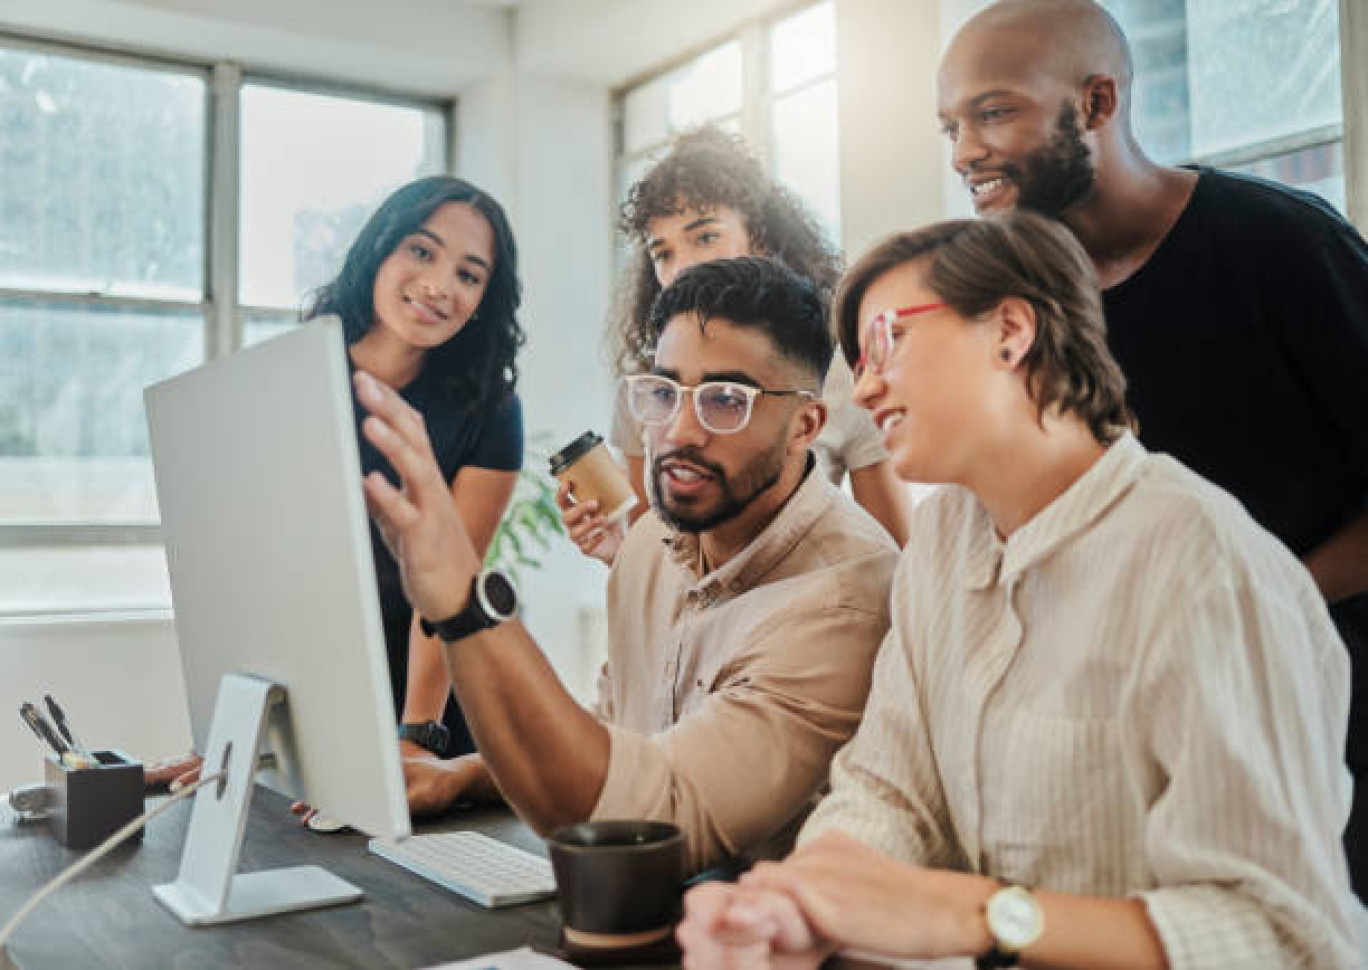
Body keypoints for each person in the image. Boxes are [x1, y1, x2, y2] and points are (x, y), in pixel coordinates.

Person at [676, 213, 1362, 969]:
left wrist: (980, 914)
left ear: (1009, 332)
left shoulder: (1204, 565)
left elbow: (1287, 936)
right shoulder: (942, 544)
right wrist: (793, 907)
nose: (863, 387)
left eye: (885, 343)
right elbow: (888, 793)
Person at [934, 0, 1368, 896]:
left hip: (1333, 709)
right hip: (1137, 728)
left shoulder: (1284, 244)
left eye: (993, 111)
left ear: (1097, 104)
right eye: (949, 126)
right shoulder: (1020, 314)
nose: (963, 151)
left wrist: (1256, 605)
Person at [356, 256, 898, 872]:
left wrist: (464, 605)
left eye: (725, 400)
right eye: (664, 392)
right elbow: (621, 743)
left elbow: (659, 820)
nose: (679, 430)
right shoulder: (648, 546)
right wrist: (461, 776)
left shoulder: (848, 597)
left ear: (806, 424)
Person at [146, 177, 526, 816]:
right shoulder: (288, 379)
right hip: (312, 689)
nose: (439, 285)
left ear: (485, 299)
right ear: (380, 249)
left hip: (433, 701)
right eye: (422, 251)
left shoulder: (490, 409)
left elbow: (449, 588)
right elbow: (249, 577)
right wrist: (224, 733)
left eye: (469, 273)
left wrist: (417, 736)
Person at [562, 126, 910, 562]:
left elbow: (897, 557)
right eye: (663, 253)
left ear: (760, 238)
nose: (682, 267)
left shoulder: (840, 373)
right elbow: (653, 559)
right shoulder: (647, 387)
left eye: (705, 237)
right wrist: (616, 551)